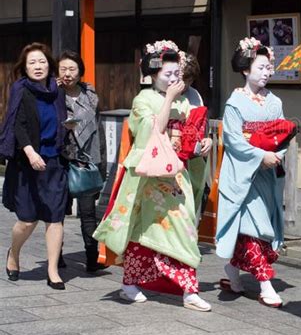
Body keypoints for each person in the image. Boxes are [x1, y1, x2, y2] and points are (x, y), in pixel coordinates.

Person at [93, 40, 212, 311]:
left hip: (175, 174)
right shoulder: (143, 99)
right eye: (167, 74)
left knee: (184, 230)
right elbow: (151, 132)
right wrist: (169, 99)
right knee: (143, 231)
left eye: (176, 74)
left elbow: (189, 134)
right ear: (153, 74)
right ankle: (129, 283)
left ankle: (189, 290)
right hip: (149, 178)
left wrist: (202, 143)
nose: (173, 79)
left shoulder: (184, 102)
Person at [215, 37, 288, 308]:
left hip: (267, 174)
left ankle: (233, 271)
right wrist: (260, 155)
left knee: (260, 229)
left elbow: (282, 134)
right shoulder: (235, 103)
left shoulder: (275, 102)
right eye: (260, 67)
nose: (266, 72)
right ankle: (266, 284)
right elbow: (233, 140)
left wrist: (277, 154)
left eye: (269, 67)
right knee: (251, 229)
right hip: (243, 176)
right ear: (246, 69)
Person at [1, 43, 68, 290]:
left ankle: (52, 270)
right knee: (27, 221)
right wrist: (30, 152)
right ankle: (13, 253)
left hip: (53, 161)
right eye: (32, 63)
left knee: (55, 217)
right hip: (26, 163)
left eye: (41, 62)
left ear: (49, 64)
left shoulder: (56, 90)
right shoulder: (20, 89)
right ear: (24, 67)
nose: (37, 66)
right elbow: (16, 124)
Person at [57, 50, 107, 273]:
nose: (67, 74)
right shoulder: (53, 95)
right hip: (62, 159)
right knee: (58, 211)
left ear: (80, 72)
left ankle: (91, 257)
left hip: (87, 159)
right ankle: (56, 255)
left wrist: (102, 161)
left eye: (72, 69)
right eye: (63, 69)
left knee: (88, 212)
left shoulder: (90, 95)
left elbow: (99, 130)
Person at [182, 53, 212, 217]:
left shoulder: (195, 95)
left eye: (190, 80)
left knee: (192, 204)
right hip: (175, 157)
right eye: (184, 79)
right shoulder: (162, 96)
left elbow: (201, 125)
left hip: (194, 156)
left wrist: (207, 140)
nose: (187, 84)